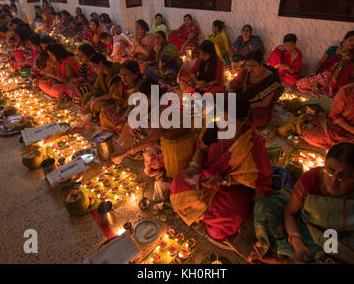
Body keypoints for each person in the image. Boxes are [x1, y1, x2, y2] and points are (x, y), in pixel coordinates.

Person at [253, 143, 354, 264]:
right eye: (330, 170)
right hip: (303, 227)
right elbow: (290, 213)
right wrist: (297, 242)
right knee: (265, 207)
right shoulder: (311, 180)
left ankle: (284, 259)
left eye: (344, 176)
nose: (333, 180)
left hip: (335, 244)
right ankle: (289, 257)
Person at [170, 94, 273, 243]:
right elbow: (202, 150)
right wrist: (194, 166)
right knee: (180, 182)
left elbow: (257, 177)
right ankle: (204, 213)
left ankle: (203, 214)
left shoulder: (252, 142)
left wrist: (222, 181)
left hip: (234, 185)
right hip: (208, 174)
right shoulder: (215, 128)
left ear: (244, 120)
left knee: (230, 215)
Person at [111, 79, 165, 181]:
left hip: (160, 144)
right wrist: (125, 117)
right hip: (146, 137)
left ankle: (158, 166)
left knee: (151, 167)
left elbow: (152, 139)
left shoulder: (162, 111)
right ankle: (135, 151)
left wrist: (126, 152)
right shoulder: (145, 103)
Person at [296, 31, 354, 97]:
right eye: (350, 40)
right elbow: (321, 63)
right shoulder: (333, 49)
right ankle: (322, 89)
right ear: (344, 39)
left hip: (337, 82)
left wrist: (348, 62)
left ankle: (327, 90)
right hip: (324, 77)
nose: (352, 43)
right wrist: (315, 74)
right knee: (300, 83)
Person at [229, 50, 284, 128]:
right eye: (247, 65)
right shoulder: (245, 72)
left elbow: (264, 103)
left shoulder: (271, 80)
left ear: (261, 64)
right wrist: (232, 98)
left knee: (259, 120)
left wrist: (243, 106)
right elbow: (232, 85)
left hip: (257, 106)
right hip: (242, 99)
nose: (250, 69)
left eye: (253, 66)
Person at [99, 60, 141, 133]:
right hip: (123, 110)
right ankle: (113, 129)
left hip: (134, 113)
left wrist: (125, 116)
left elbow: (134, 105)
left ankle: (118, 129)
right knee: (104, 110)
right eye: (121, 75)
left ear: (136, 74)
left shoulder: (140, 86)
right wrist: (118, 107)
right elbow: (118, 98)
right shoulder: (121, 84)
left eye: (126, 76)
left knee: (127, 122)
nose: (123, 79)